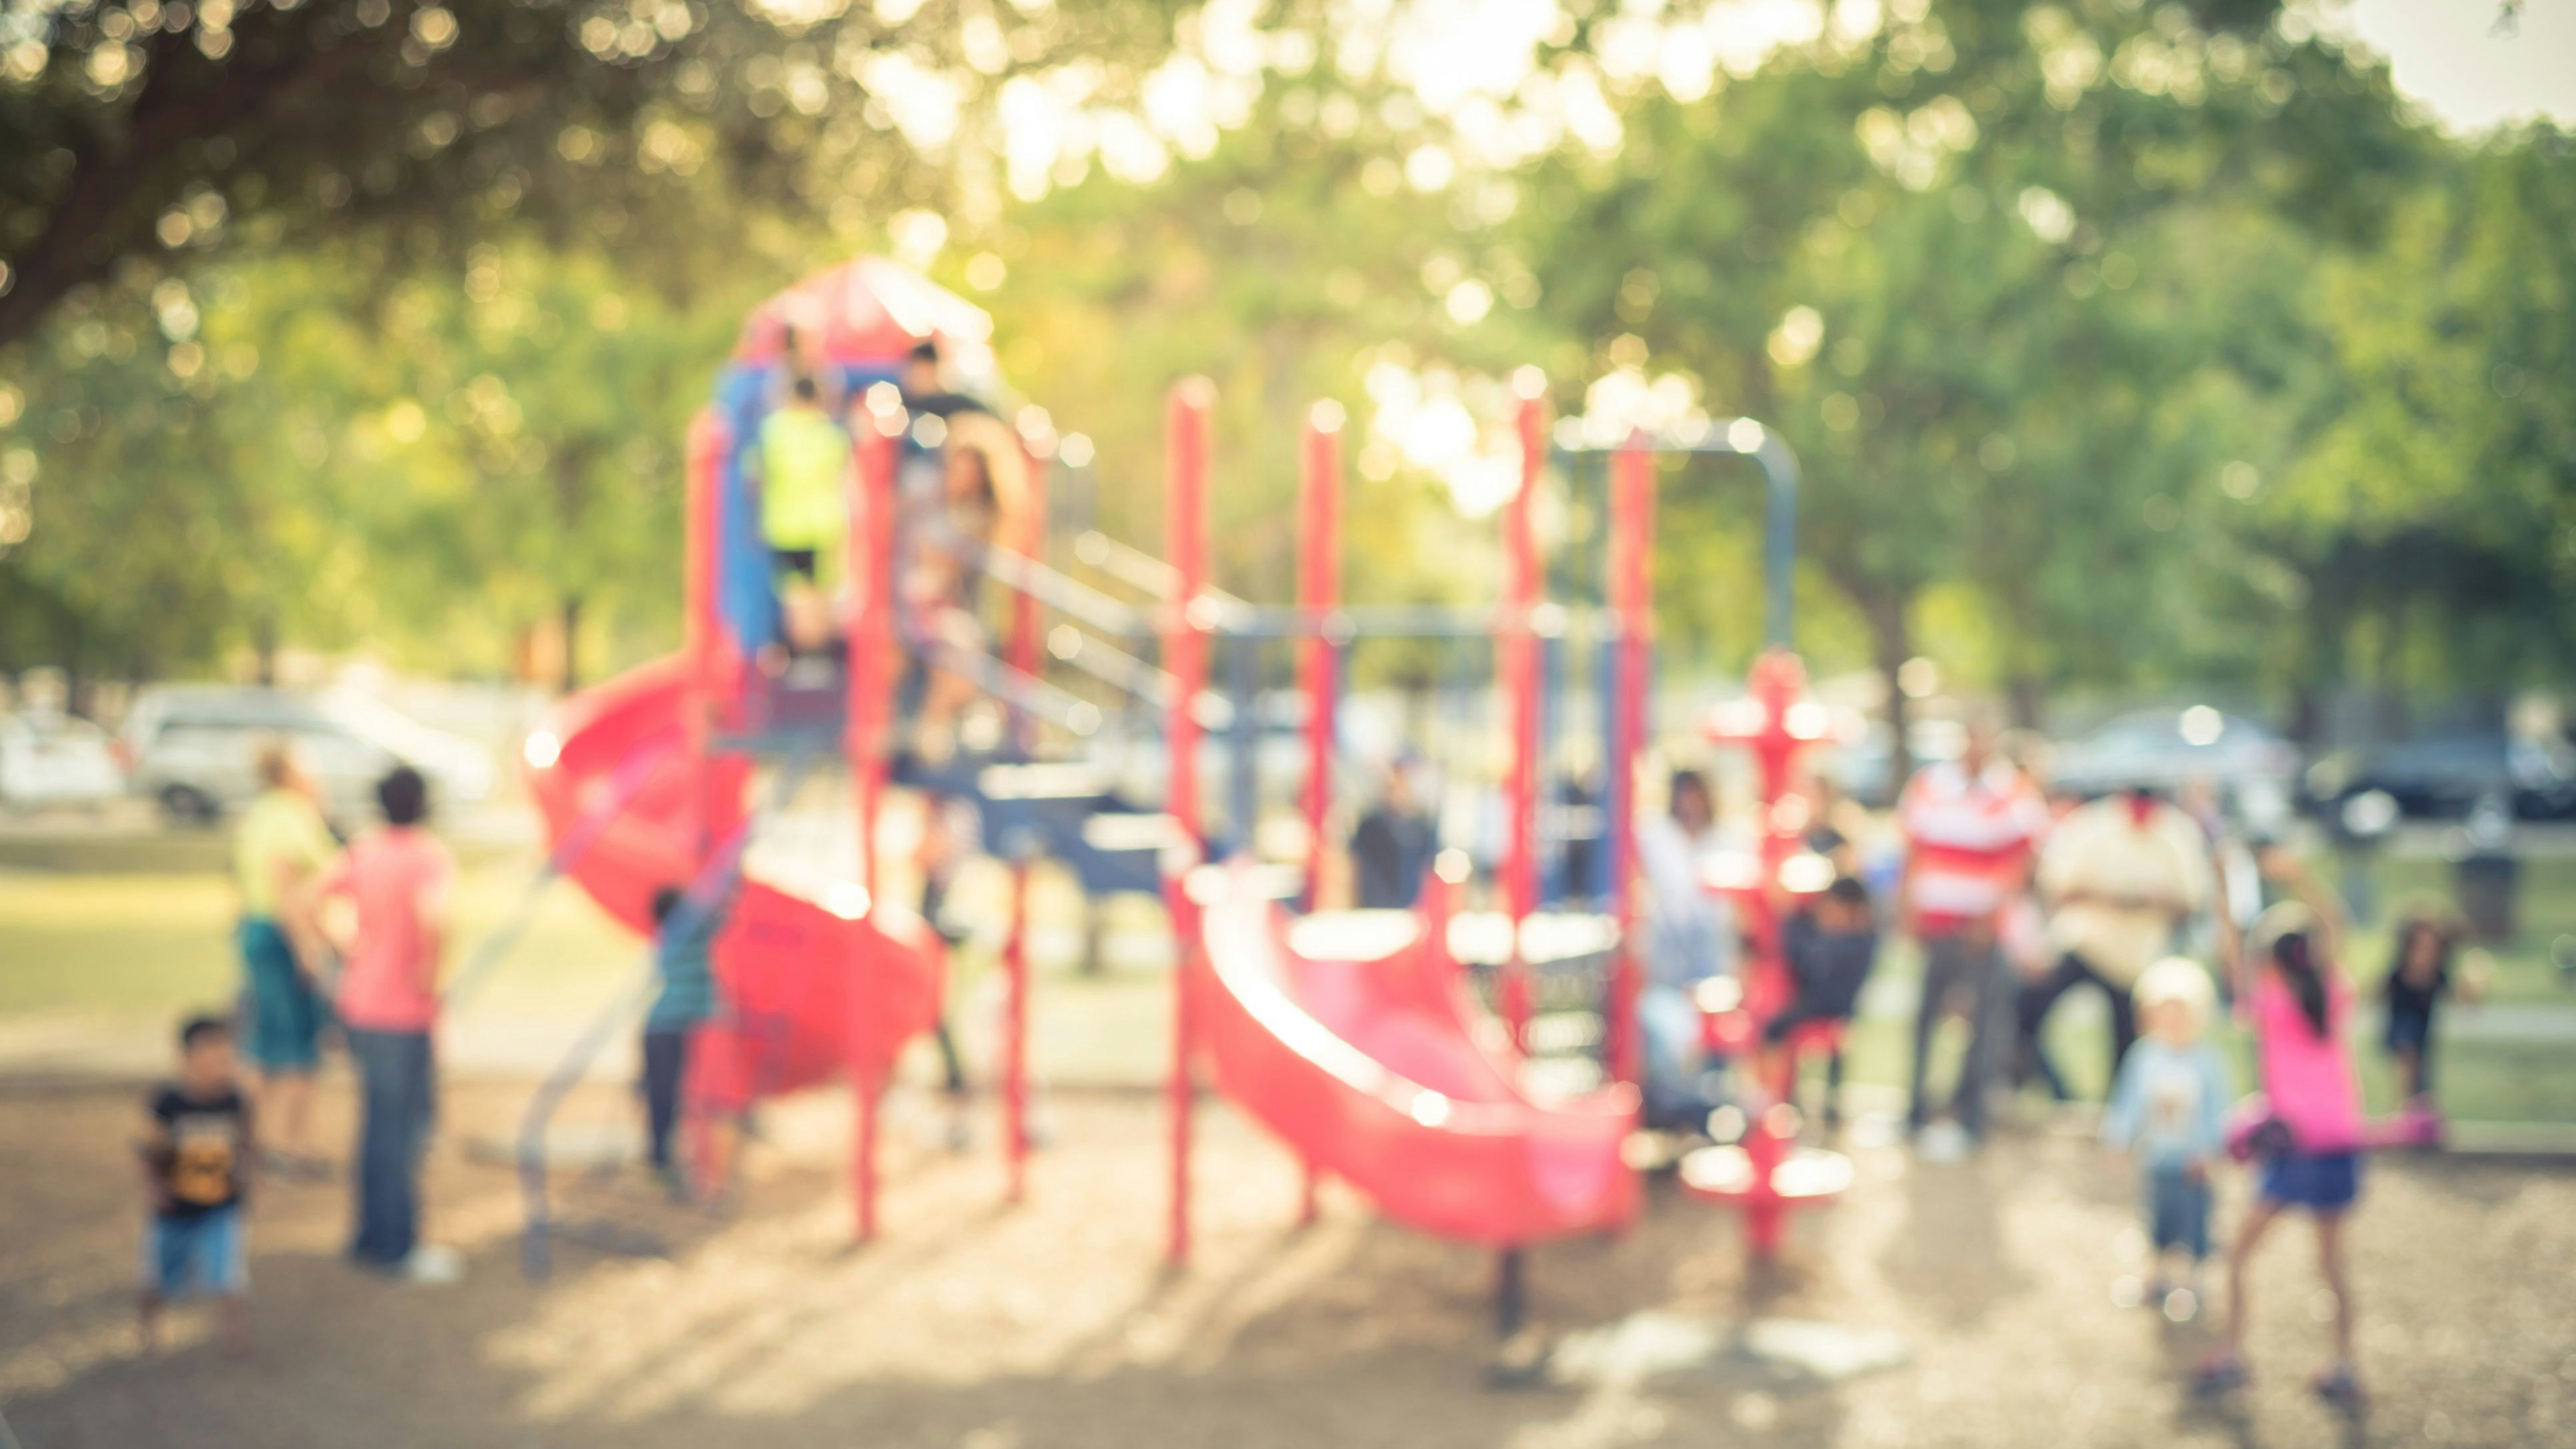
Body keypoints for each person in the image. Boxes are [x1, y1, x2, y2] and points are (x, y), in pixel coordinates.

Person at [2198, 855, 2367, 1405]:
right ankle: (2343, 1364)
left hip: (2295, 1149)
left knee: (2239, 1255)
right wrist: (2301, 877)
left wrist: (2223, 883)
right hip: (2340, 1144)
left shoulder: (2270, 1001)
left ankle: (2233, 1354)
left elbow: (2228, 947)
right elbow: (2337, 923)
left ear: (2270, 961)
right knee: (2331, 1263)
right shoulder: (2332, 993)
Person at [300, 766, 462, 1284]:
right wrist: (430, 977)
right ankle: (397, 1246)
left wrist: (346, 949)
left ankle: (370, 1237)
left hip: (361, 1006)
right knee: (402, 1132)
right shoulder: (426, 857)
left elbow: (309, 900)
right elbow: (433, 919)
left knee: (376, 1126)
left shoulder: (363, 851)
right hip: (401, 1013)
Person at [1896, 718, 2050, 1157]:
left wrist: (1992, 912)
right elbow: (1913, 849)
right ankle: (1916, 1110)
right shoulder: (1930, 785)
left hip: (1980, 928)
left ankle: (1971, 1117)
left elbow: (2021, 858)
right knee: (1925, 1018)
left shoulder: (2010, 792)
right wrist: (1908, 908)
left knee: (1982, 1024)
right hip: (1936, 924)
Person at [2023, 785, 2223, 1102]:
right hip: (2084, 944)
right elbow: (2057, 888)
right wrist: (2113, 897)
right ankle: (2059, 1094)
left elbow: (2193, 900)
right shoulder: (2092, 825)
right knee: (2025, 1015)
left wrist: (2153, 901)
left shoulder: (2175, 833)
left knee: (2127, 1050)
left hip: (2137, 960)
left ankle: (2117, 1117)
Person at [2101, 957, 2231, 1321]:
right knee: (2157, 1218)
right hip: (2158, 1156)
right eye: (2164, 1011)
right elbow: (2127, 1102)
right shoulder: (2145, 1057)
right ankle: (2155, 1276)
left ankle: (2192, 1283)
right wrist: (2117, 1139)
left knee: (2194, 1221)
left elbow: (2218, 1110)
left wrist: (2209, 1151)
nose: (2172, 1020)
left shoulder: (2208, 1061)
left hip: (2193, 1162)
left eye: (2181, 1011)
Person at [231, 739, 336, 1173]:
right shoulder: (292, 816)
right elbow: (285, 883)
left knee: (263, 1043)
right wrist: (307, 948)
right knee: (296, 1046)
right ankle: (293, 1147)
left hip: (258, 930)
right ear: (290, 774)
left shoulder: (258, 814)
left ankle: (250, 1140)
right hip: (284, 936)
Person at [137, 1015, 253, 1352]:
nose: (222, 1068)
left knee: (229, 1277)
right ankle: (149, 1331)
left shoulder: (234, 1100)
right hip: (174, 1209)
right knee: (158, 1277)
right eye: (212, 1060)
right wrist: (153, 1187)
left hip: (221, 1206)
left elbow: (247, 1143)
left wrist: (248, 1175)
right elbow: (149, 1149)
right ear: (187, 1059)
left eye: (227, 1060)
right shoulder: (169, 1103)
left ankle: (235, 1338)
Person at [1634, 769, 1735, 1128]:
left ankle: (1711, 1107)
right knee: (1670, 1033)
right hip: (1668, 960)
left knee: (1716, 1034)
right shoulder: (1658, 838)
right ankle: (1678, 1108)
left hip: (1712, 960)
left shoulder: (1722, 841)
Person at [1761, 875, 1879, 1127]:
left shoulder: (1855, 939)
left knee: (1774, 1029)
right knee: (1775, 1023)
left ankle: (1778, 1096)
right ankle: (1784, 1095)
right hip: (1826, 1003)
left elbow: (1814, 967)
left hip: (1830, 1005)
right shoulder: (1848, 936)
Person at [642, 882, 726, 1196]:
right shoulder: (693, 937)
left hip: (660, 1027)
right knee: (679, 1098)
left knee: (662, 1098)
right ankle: (670, 1165)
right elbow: (725, 909)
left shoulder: (666, 939)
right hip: (674, 1029)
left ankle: (663, 1161)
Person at [757, 374, 851, 658]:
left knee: (793, 597)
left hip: (783, 525)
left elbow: (757, 474)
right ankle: (819, 653)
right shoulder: (829, 433)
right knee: (820, 596)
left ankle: (795, 653)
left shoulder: (772, 431)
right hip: (823, 526)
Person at [2381, 900, 2479, 1106]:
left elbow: (2465, 1001)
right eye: (2420, 946)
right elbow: (2373, 993)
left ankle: (2419, 1114)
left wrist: (2471, 971)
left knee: (2423, 1080)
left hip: (2424, 1036)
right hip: (2400, 1030)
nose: (2425, 954)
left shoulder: (2439, 975)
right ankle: (2407, 1112)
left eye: (2431, 947)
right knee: (2408, 1063)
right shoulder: (2398, 973)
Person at [1350, 762, 1437, 910]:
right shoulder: (1370, 826)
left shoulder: (1420, 826)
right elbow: (1353, 864)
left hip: (1412, 905)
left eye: (1400, 788)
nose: (1396, 795)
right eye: (1391, 789)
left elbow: (1428, 867)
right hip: (1373, 906)